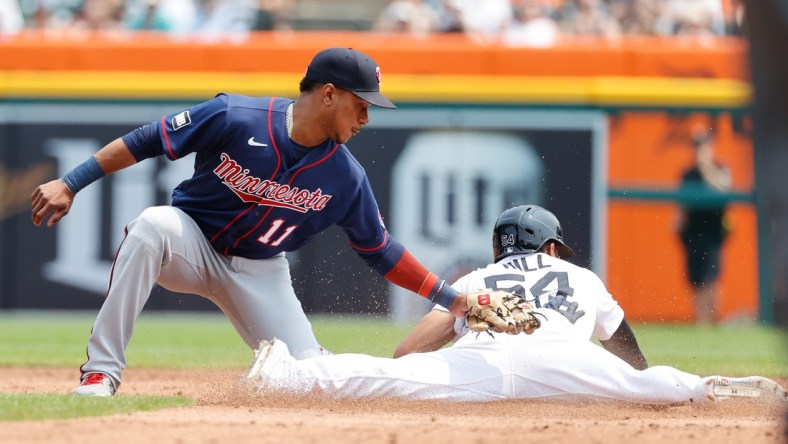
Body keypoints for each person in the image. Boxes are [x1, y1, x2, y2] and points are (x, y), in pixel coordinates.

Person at [31, 47, 470, 397]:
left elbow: (380, 250)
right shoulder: (235, 116)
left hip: (260, 270)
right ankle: (100, 374)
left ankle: (301, 365)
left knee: (309, 379)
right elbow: (147, 140)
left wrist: (451, 299)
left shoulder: (346, 176)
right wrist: (71, 182)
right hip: (190, 244)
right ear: (329, 94)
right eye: (361, 105)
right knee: (151, 226)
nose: (365, 119)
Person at [243, 205, 787, 404]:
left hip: (480, 359)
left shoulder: (478, 275)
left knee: (375, 378)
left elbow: (412, 347)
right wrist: (630, 382)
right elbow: (625, 350)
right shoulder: (580, 274)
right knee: (651, 386)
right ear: (551, 247)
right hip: (566, 359)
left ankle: (288, 375)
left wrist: (407, 373)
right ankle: (711, 389)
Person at [676, 128, 732, 324]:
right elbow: (682, 203)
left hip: (713, 232)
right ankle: (701, 321)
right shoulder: (688, 173)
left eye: (704, 145)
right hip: (693, 231)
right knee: (697, 278)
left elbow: (724, 191)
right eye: (697, 145)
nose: (700, 150)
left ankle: (713, 320)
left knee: (711, 277)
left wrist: (706, 168)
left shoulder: (721, 168)